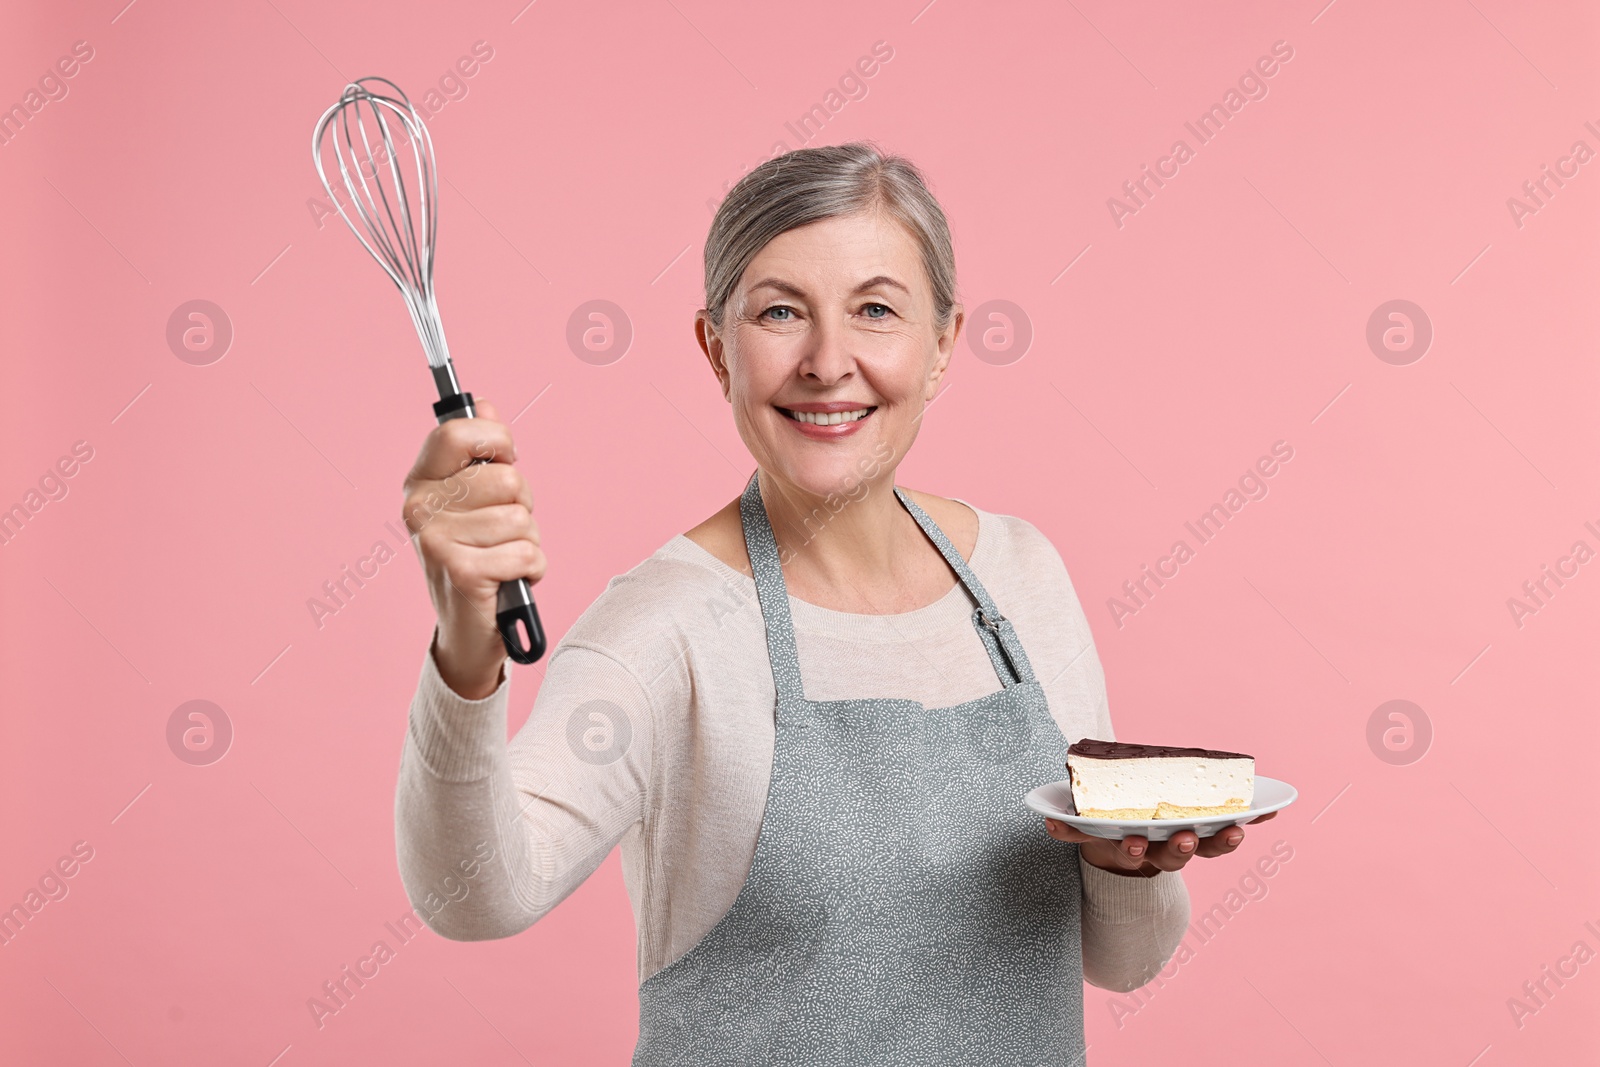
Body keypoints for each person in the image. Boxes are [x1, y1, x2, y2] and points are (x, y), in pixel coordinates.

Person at [394, 141, 1269, 1063]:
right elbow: (471, 896)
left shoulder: (1022, 575)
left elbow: (1123, 962)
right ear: (715, 348)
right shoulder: (666, 627)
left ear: (941, 347)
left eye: (876, 310)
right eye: (780, 312)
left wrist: (1122, 862)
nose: (827, 362)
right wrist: (464, 642)